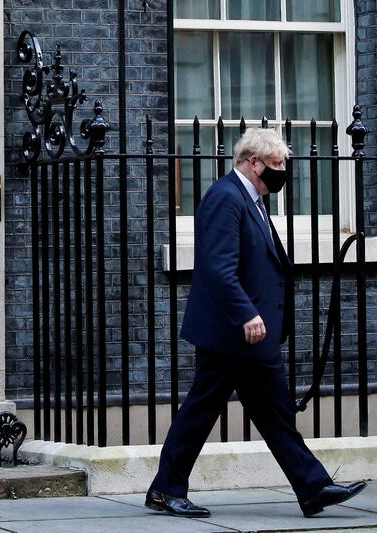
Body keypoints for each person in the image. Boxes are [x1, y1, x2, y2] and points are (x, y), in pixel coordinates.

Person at [145, 128, 367, 518]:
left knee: (274, 412)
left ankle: (312, 487)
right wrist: (246, 312)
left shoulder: (253, 201)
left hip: (252, 335)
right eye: (276, 165)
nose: (282, 172)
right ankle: (166, 489)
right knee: (202, 409)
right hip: (231, 332)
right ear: (253, 162)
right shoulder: (225, 198)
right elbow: (217, 268)